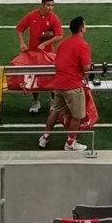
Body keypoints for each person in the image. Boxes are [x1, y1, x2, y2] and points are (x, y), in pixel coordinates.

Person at [38, 16, 92, 152]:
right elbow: (86, 67)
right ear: (81, 28)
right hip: (73, 85)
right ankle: (70, 142)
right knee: (77, 115)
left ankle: (45, 137)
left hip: (59, 83)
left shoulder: (62, 43)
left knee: (55, 111)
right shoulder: (82, 45)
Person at [18, 0, 63, 114]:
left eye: (52, 5)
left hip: (48, 53)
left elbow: (59, 35)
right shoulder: (32, 15)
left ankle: (53, 102)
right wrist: (22, 43)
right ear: (42, 5)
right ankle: (36, 101)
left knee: (51, 77)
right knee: (34, 77)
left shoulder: (54, 18)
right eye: (48, 5)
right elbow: (20, 28)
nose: (51, 8)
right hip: (33, 52)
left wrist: (46, 43)